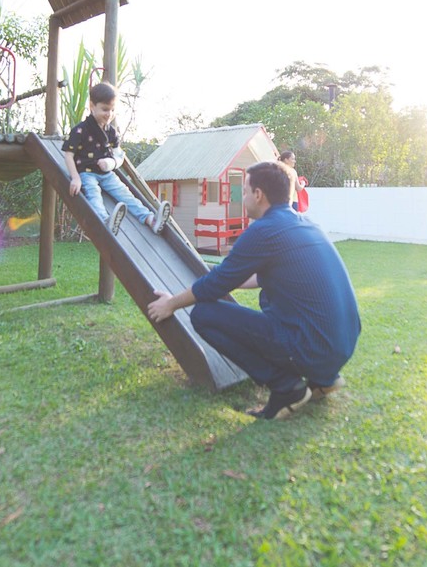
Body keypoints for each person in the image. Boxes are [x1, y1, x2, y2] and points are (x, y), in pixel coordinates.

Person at [147, 160, 360, 420]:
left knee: (203, 315)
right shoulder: (304, 223)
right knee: (267, 296)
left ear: (258, 195)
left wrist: (170, 304)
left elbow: (214, 286)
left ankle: (286, 386)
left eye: (244, 191)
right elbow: (257, 277)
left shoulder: (263, 230)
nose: (242, 197)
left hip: (313, 348)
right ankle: (323, 379)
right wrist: (225, 275)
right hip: (341, 345)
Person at [63, 81, 170, 235]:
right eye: (105, 109)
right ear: (92, 106)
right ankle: (105, 222)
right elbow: (69, 154)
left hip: (107, 174)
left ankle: (150, 220)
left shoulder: (111, 131)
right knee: (93, 194)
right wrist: (75, 178)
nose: (109, 114)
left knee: (125, 194)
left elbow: (118, 153)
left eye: (112, 110)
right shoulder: (80, 130)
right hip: (86, 173)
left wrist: (111, 163)